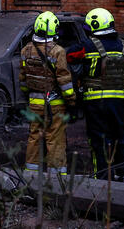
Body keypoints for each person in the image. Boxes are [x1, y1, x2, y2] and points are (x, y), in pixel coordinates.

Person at [81, 7, 124, 182]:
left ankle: (104, 177)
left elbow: (71, 56)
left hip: (96, 101)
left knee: (99, 139)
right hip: (120, 100)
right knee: (122, 136)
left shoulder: (89, 45)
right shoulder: (123, 45)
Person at [19, 11, 77, 176]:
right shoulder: (58, 51)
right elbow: (64, 82)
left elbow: (23, 79)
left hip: (34, 104)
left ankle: (30, 173)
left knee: (34, 137)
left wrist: (27, 97)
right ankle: (57, 177)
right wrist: (72, 101)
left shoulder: (26, 50)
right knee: (55, 139)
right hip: (55, 104)